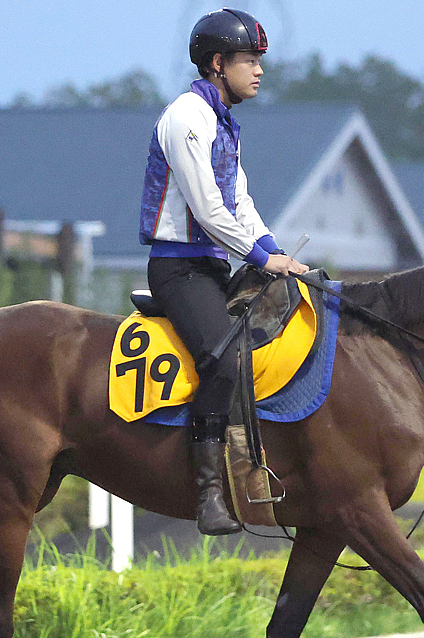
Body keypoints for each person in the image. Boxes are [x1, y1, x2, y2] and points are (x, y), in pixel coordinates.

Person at [140, 8, 308, 536]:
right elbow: (210, 211)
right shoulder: (187, 117)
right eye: (248, 60)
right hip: (179, 270)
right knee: (225, 359)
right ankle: (208, 495)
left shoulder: (223, 122)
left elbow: (242, 205)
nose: (259, 70)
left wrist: (278, 255)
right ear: (218, 64)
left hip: (211, 267)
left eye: (259, 60)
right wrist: (261, 260)